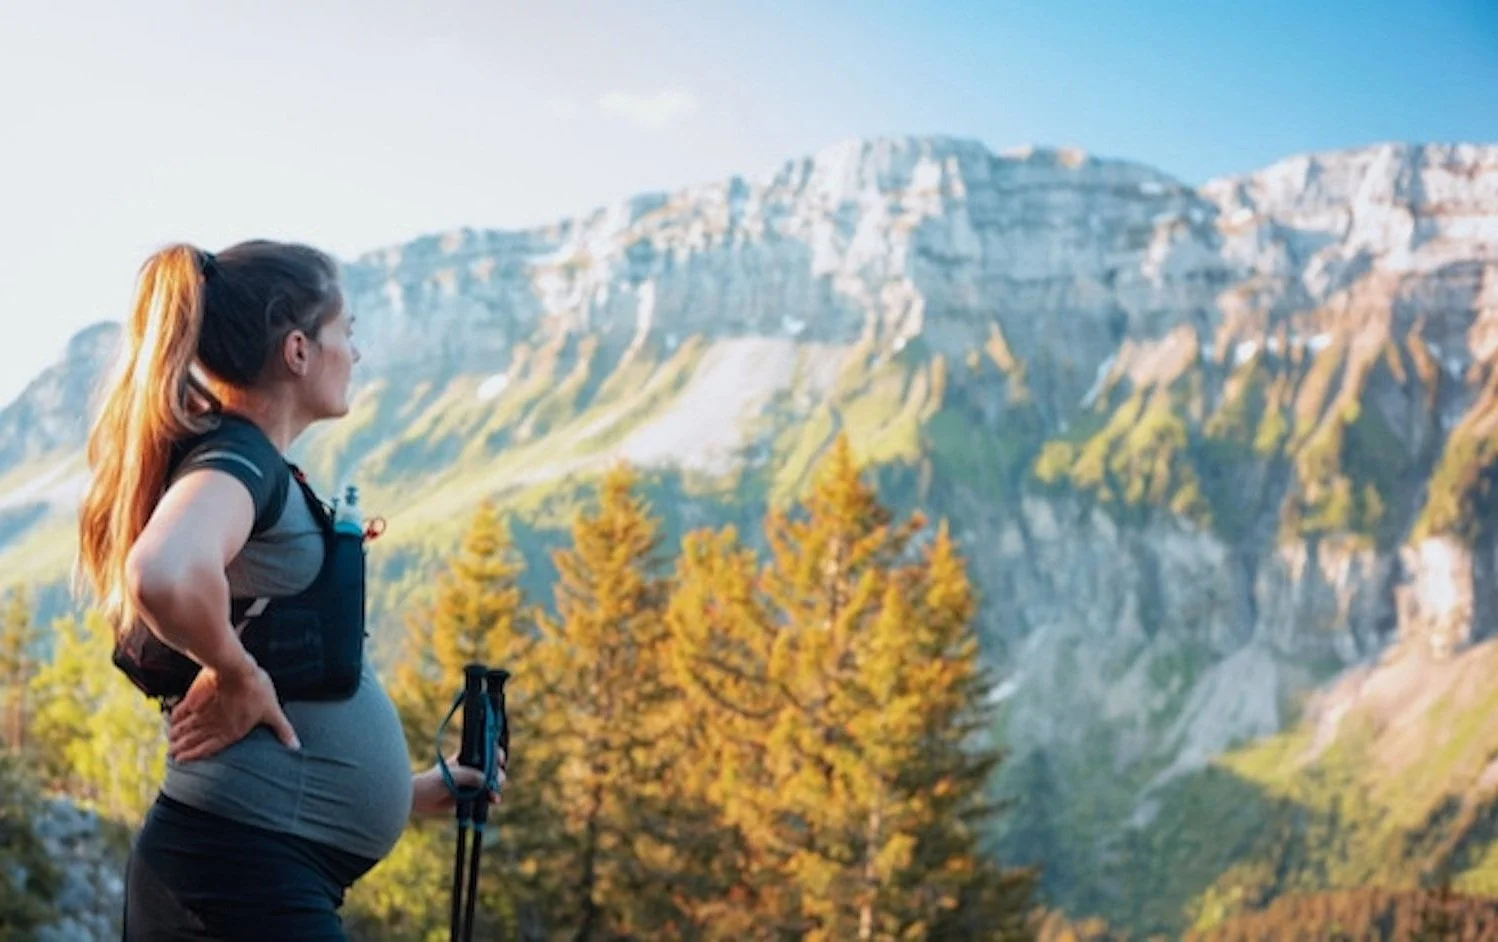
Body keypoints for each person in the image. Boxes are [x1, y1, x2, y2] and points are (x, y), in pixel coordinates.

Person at [75, 241, 498, 940]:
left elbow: (287, 681)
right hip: (235, 880)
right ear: (298, 350)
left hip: (242, 873)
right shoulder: (238, 461)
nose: (355, 355)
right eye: (347, 333)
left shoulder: (252, 463)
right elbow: (163, 572)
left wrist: (414, 793)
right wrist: (233, 674)